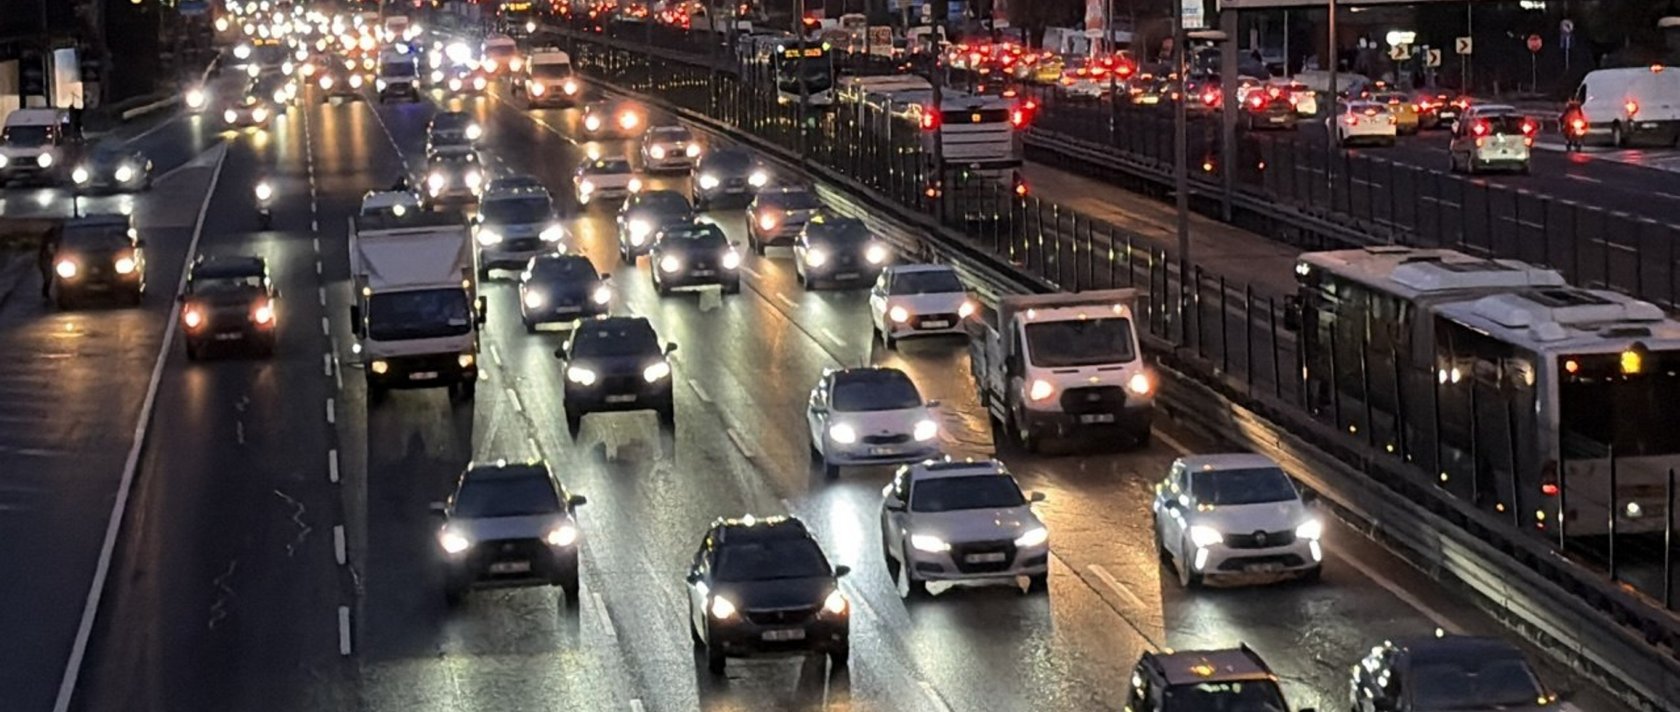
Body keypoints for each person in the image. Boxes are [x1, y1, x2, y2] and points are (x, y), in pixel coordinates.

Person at [37, 227, 60, 300]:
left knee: (48, 277)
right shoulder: (49, 242)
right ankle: (45, 293)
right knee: (48, 277)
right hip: (46, 261)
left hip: (46, 261)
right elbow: (50, 252)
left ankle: (45, 293)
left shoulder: (47, 242)